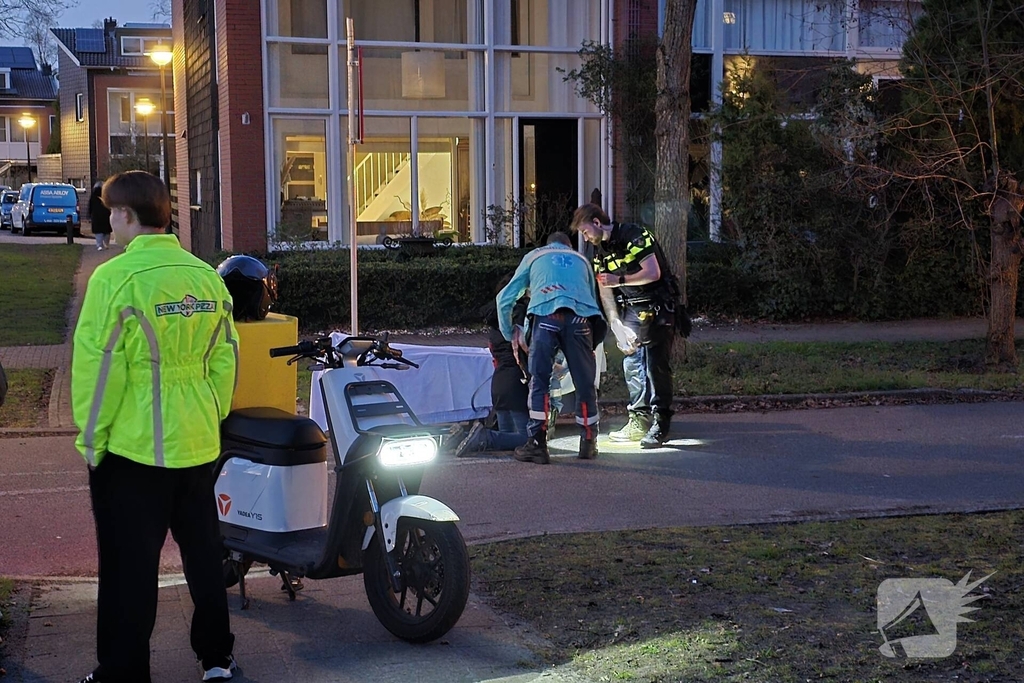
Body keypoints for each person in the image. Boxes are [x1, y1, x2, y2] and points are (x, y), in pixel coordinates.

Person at [71, 171, 239, 683]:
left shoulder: (114, 279)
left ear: (125, 215)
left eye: (108, 211)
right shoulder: (206, 277)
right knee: (205, 557)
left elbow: (100, 369)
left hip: (134, 450)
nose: (107, 220)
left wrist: (91, 438)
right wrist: (212, 414)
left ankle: (123, 670)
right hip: (198, 444)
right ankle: (216, 660)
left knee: (128, 569)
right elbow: (226, 356)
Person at [573, 203, 678, 449]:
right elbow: (605, 293)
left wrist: (619, 279)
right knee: (631, 363)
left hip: (658, 306)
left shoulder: (634, 235)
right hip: (632, 309)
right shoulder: (600, 253)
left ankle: (661, 422)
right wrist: (617, 325)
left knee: (655, 365)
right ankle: (639, 420)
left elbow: (653, 272)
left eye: (586, 231)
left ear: (597, 222)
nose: (586, 238)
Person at [496, 231, 603, 463]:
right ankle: (589, 442)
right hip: (580, 320)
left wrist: (509, 333)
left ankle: (537, 445)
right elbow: (594, 300)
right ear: (569, 245)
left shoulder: (534, 256)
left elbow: (504, 299)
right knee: (585, 383)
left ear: (549, 244)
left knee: (540, 382)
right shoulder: (582, 260)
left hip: (546, 317)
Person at [454, 274, 530, 457]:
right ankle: (485, 437)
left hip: (499, 382)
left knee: (507, 437)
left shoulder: (496, 318)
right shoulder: (520, 313)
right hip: (516, 380)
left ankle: (464, 436)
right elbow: (527, 344)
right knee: (527, 438)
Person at [88, 181, 112, 251]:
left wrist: (90, 215)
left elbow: (90, 206)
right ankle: (106, 244)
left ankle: (99, 245)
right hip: (106, 215)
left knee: (98, 232)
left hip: (96, 216)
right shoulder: (107, 195)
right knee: (106, 231)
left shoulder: (93, 196)